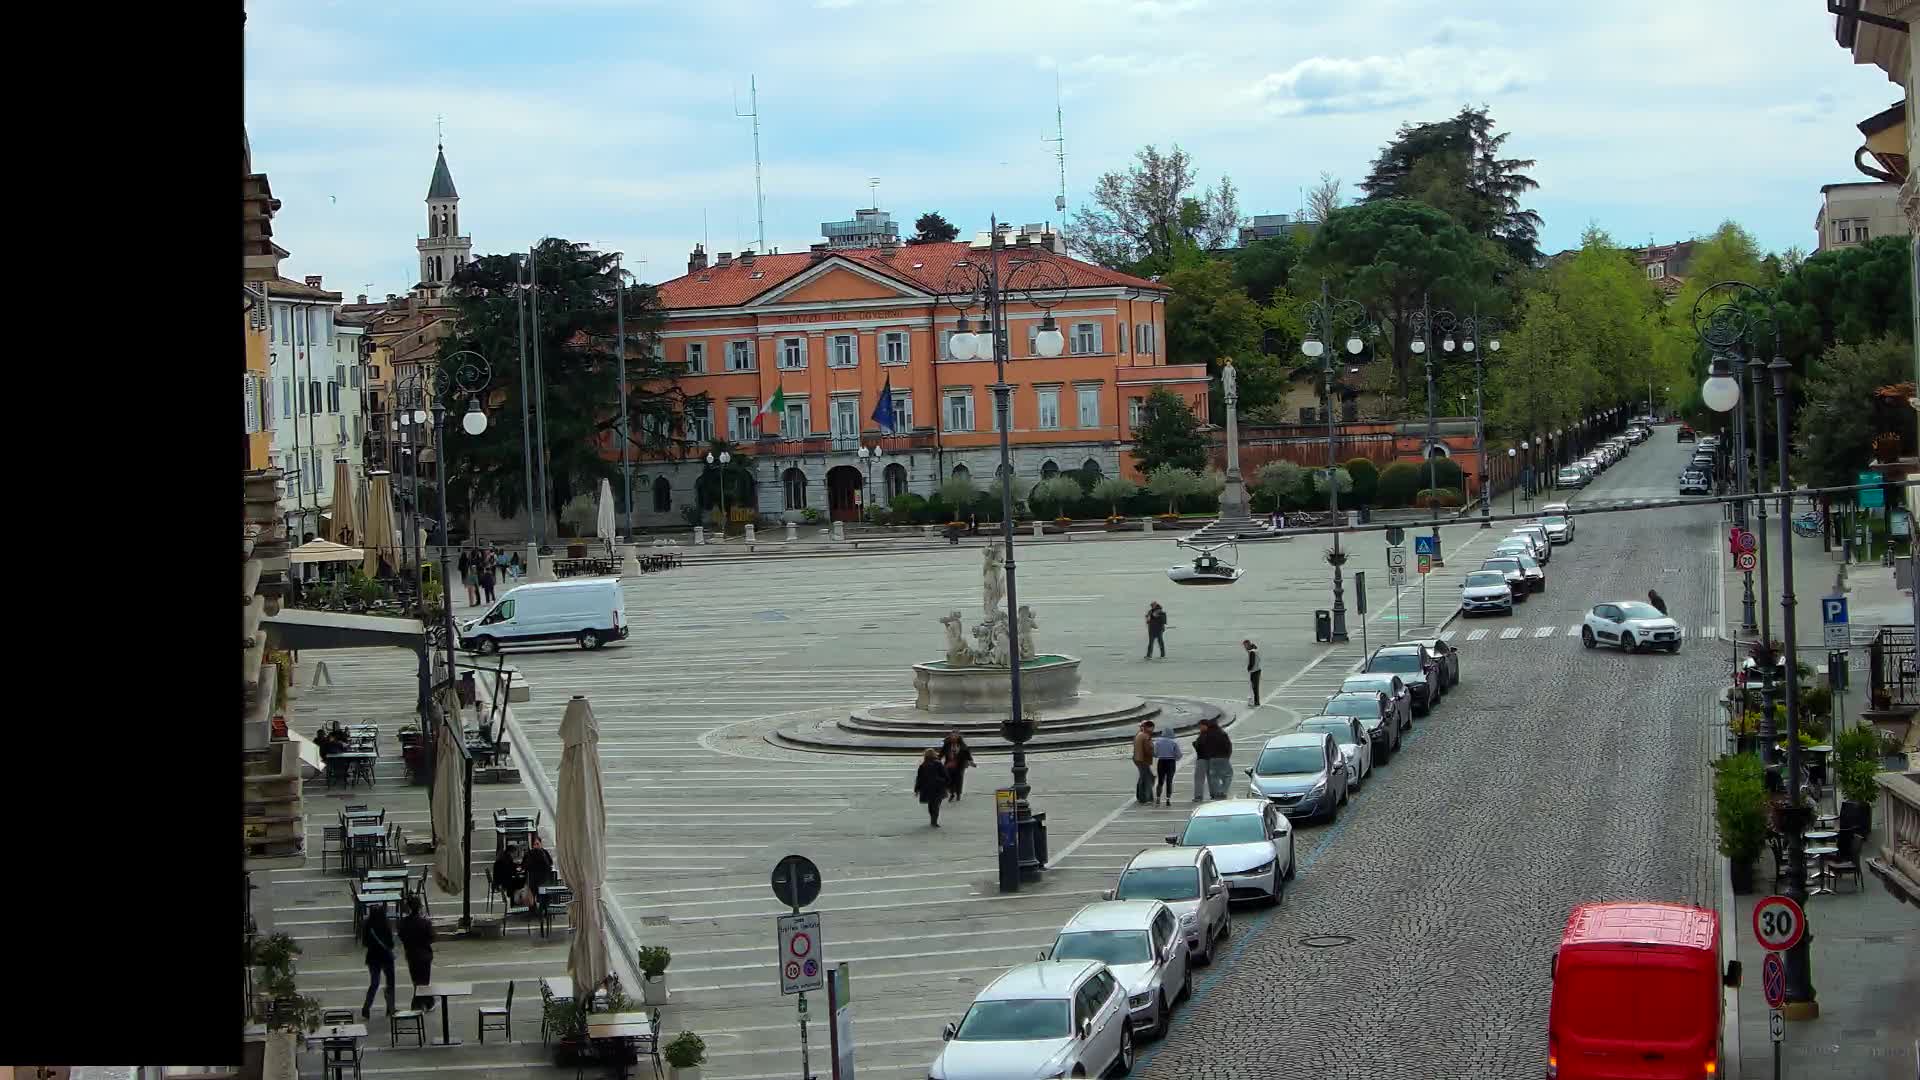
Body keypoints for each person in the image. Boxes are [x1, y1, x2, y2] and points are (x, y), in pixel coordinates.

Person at [397, 895, 435, 1010]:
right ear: (419, 907)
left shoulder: (404, 923)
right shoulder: (425, 922)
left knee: (416, 980)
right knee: (424, 981)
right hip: (424, 955)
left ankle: (426, 1002)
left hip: (411, 955)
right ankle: (421, 1003)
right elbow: (432, 937)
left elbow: (401, 936)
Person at [361, 904, 397, 1019]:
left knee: (374, 983)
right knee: (390, 983)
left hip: (373, 957)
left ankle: (366, 1007)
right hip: (386, 957)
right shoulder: (385, 924)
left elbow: (364, 943)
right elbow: (391, 943)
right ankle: (390, 1008)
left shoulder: (367, 925)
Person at [1195, 718, 1234, 800]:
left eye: (1201, 726)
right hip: (1222, 757)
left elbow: (1203, 745)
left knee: (1213, 777)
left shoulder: (1206, 734)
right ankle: (1221, 792)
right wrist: (1227, 756)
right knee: (1228, 775)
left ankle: (1215, 793)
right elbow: (1228, 745)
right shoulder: (1222, 733)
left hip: (1210, 758)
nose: (1200, 728)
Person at [913, 748, 950, 827]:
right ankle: (934, 820)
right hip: (938, 787)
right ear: (934, 755)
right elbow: (945, 775)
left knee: (931, 804)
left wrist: (917, 789)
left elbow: (919, 778)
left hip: (927, 788)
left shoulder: (923, 765)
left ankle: (932, 819)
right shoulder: (938, 764)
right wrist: (946, 784)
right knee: (936, 805)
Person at [522, 834, 555, 909]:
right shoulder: (530, 853)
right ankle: (533, 907)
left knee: (543, 892)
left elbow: (549, 863)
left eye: (537, 844)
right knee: (532, 890)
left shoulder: (544, 852)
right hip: (533, 879)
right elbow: (525, 865)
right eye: (534, 844)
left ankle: (543, 906)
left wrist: (541, 853)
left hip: (543, 879)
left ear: (540, 844)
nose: (536, 846)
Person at [1152, 725, 1181, 806]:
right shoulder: (1173, 742)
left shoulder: (1157, 742)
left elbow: (1155, 754)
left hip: (1161, 761)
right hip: (1171, 762)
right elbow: (1179, 755)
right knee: (1169, 781)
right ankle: (1168, 799)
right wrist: (1175, 758)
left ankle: (1158, 798)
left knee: (1160, 781)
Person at [940, 732, 975, 803]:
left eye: (955, 736)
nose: (953, 738)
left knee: (958, 779)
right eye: (952, 736)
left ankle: (958, 793)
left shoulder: (963, 746)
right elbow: (941, 754)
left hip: (960, 765)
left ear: (958, 738)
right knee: (949, 779)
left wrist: (971, 761)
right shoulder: (947, 745)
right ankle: (952, 793)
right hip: (949, 765)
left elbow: (968, 754)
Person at [1131, 720, 1156, 804]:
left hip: (1137, 759)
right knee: (1147, 779)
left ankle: (1140, 796)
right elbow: (1148, 750)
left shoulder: (1139, 734)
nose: (1153, 730)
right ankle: (1147, 798)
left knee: (1143, 777)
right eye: (1152, 728)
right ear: (1149, 727)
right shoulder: (1146, 736)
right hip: (1143, 760)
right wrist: (1154, 752)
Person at [1244, 639, 1262, 706]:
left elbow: (1252, 662)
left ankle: (1255, 702)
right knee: (1255, 687)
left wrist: (1249, 668)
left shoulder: (1252, 652)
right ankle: (1256, 702)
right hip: (1258, 669)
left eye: (1245, 645)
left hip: (1254, 671)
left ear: (1247, 645)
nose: (1244, 647)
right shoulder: (1255, 649)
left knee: (1254, 687)